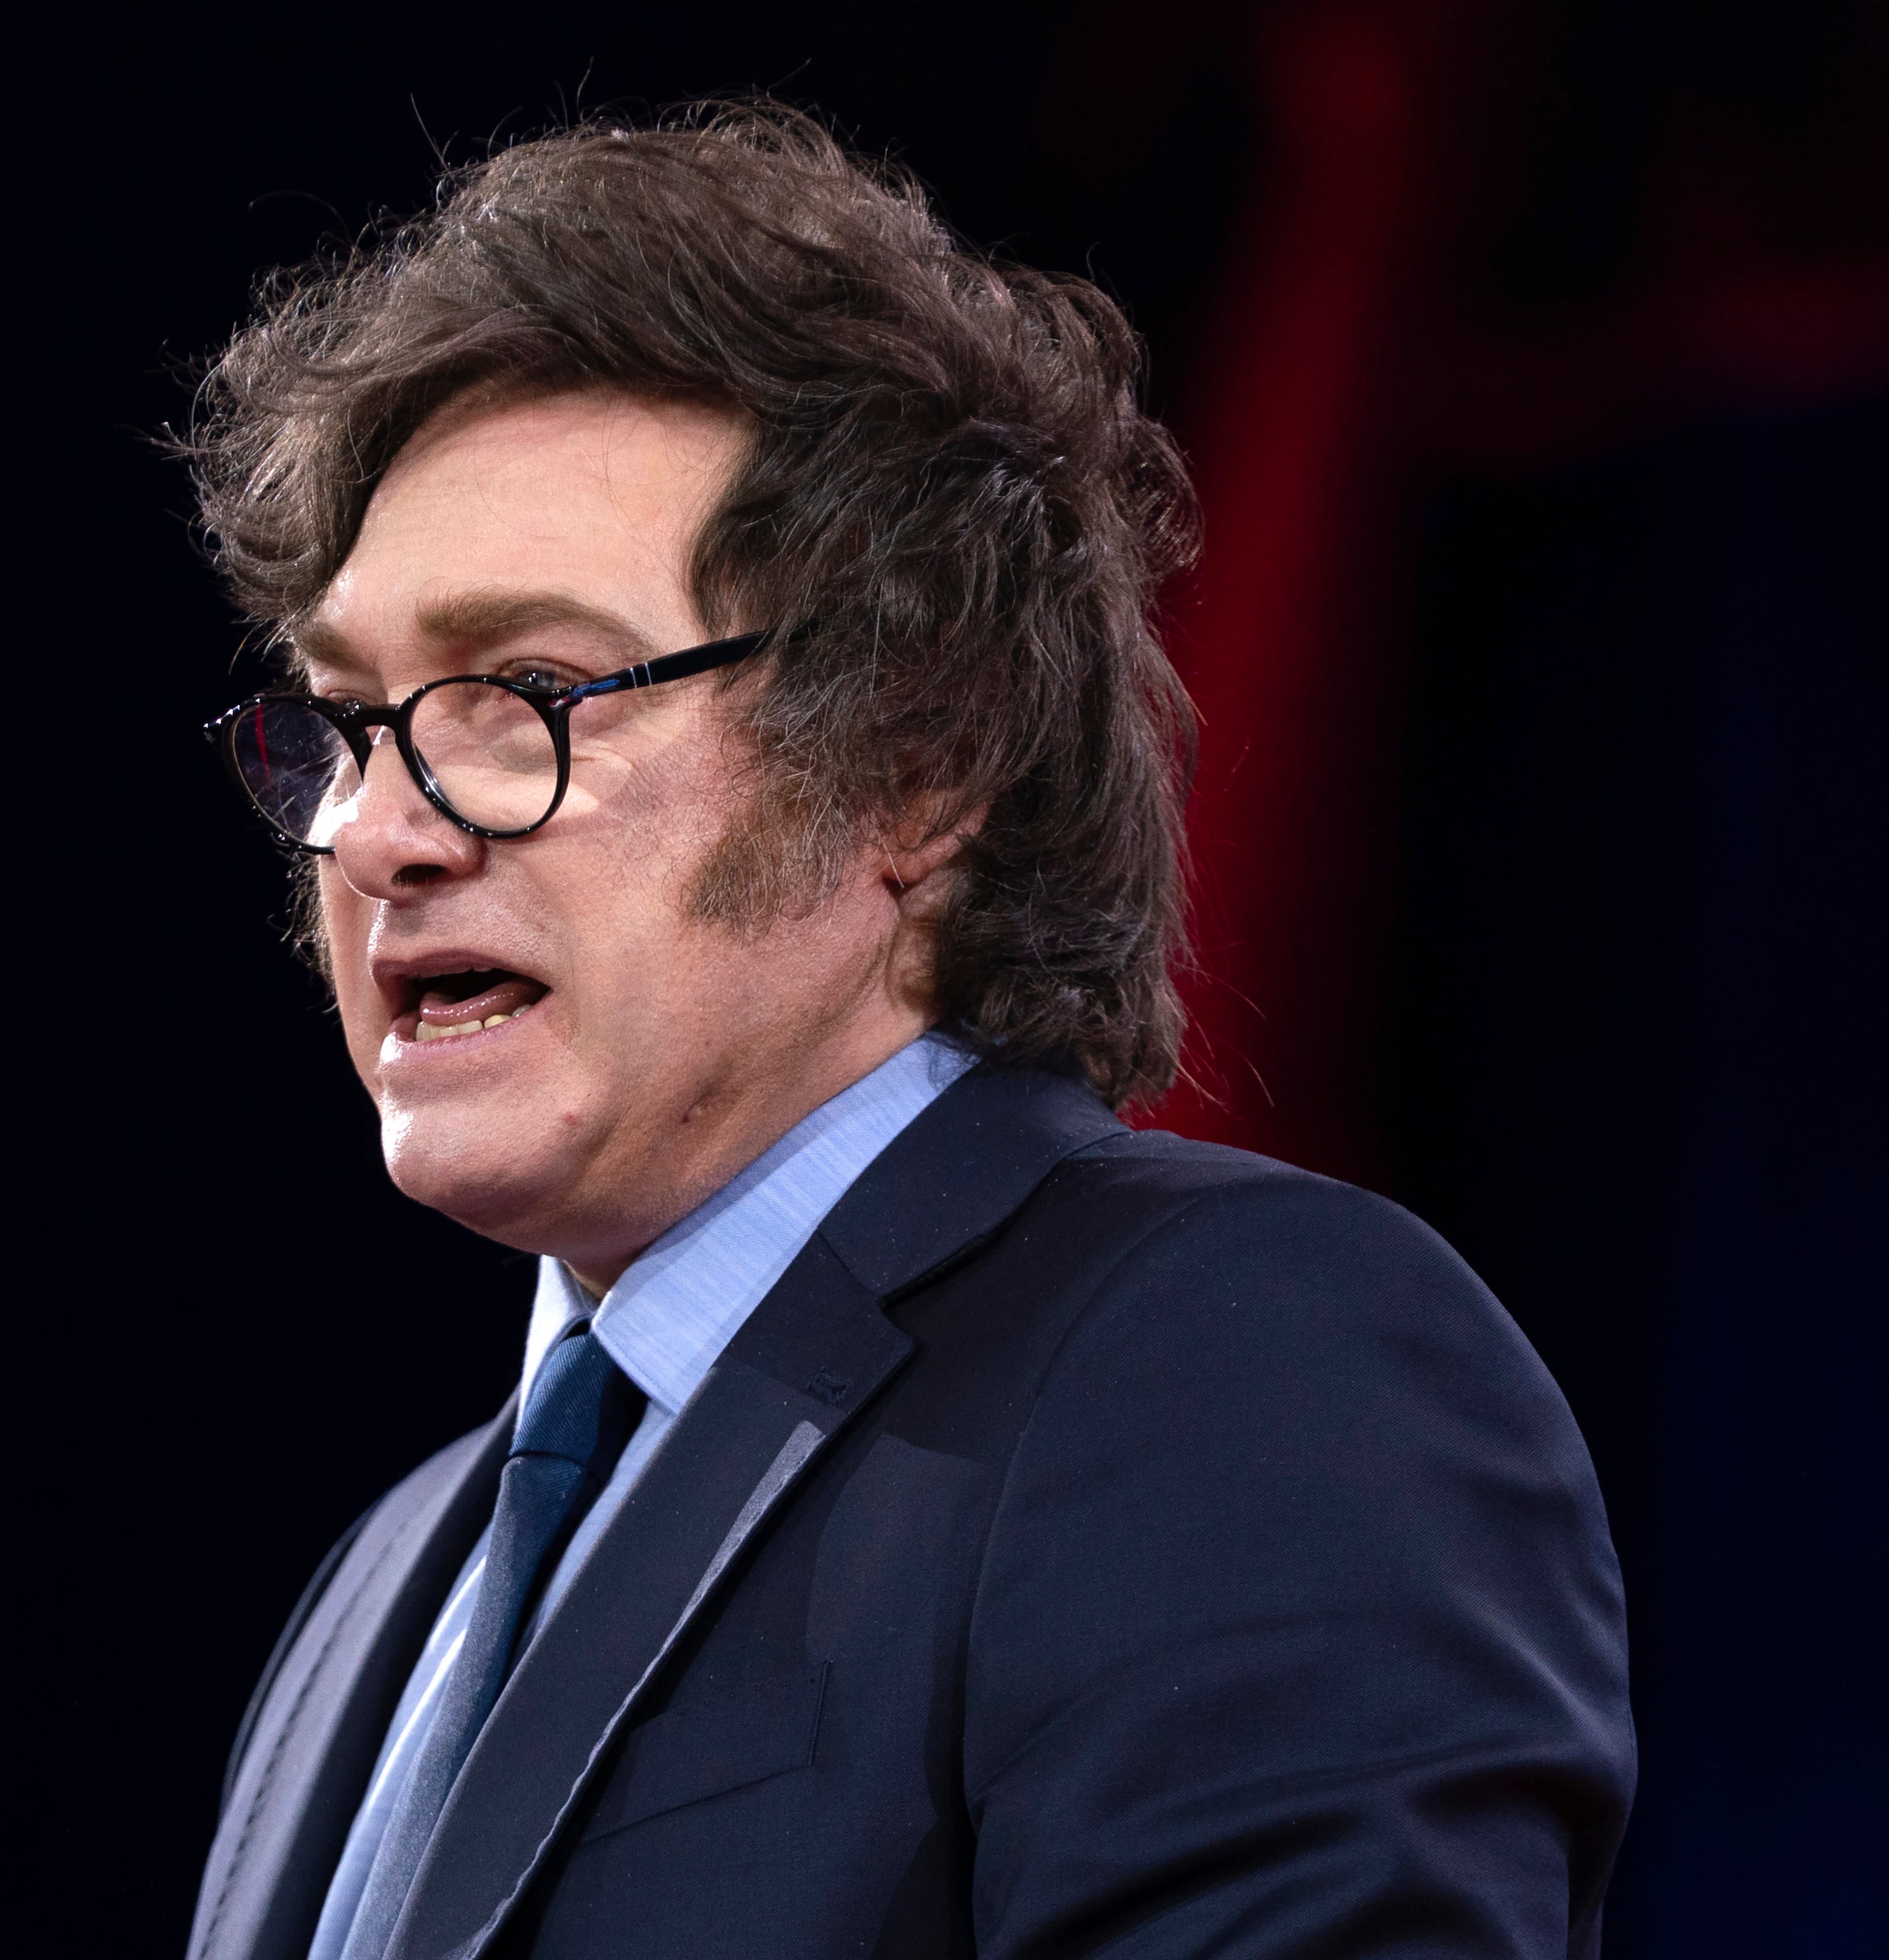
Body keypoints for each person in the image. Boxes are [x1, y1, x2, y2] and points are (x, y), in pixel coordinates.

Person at [180, 106, 1632, 1960]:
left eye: (526, 692)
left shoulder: (1234, 1375)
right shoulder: (389, 1582)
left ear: (917, 765)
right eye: (349, 720)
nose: (378, 830)